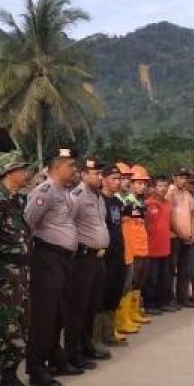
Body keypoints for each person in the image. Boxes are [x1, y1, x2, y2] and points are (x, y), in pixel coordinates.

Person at [0, 154, 38, 386]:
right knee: (0, 330)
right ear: (10, 172)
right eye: (22, 169)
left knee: (18, 328)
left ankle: (10, 378)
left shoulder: (15, 200)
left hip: (20, 273)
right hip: (3, 275)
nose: (26, 173)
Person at [24, 150, 78, 386]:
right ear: (57, 167)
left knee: (60, 312)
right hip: (47, 257)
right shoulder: (43, 192)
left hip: (63, 259)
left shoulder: (63, 192)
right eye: (71, 165)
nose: (74, 170)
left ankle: (57, 358)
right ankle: (36, 368)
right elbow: (28, 222)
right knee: (44, 315)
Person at [68, 157, 111, 368]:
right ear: (83, 175)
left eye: (101, 173)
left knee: (92, 305)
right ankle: (74, 352)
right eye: (96, 173)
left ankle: (86, 345)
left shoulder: (98, 196)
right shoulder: (76, 196)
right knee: (78, 307)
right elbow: (69, 224)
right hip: (83, 257)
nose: (100, 176)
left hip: (98, 257)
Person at [98, 166, 130, 347]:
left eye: (119, 178)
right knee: (102, 294)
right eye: (114, 178)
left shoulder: (118, 202)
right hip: (104, 255)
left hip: (119, 253)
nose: (118, 182)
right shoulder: (98, 200)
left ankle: (109, 333)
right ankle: (97, 338)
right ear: (104, 180)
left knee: (115, 292)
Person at [119, 165, 153, 328]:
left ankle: (134, 312)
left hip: (141, 246)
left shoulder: (137, 202)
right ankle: (124, 318)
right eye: (138, 183)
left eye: (144, 183)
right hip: (131, 248)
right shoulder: (126, 201)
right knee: (129, 283)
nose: (142, 186)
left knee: (139, 282)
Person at [143, 174, 174, 315]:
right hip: (151, 247)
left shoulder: (167, 204)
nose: (162, 189)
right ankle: (150, 305)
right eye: (159, 186)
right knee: (151, 279)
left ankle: (162, 303)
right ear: (154, 187)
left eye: (165, 186)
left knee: (164, 278)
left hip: (165, 246)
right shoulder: (148, 203)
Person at [167, 168, 194, 307]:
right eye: (180, 177)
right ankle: (170, 298)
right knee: (172, 269)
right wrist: (181, 234)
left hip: (187, 237)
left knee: (185, 269)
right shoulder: (169, 193)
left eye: (185, 178)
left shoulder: (188, 194)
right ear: (174, 177)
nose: (183, 180)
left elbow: (192, 215)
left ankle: (183, 298)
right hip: (174, 237)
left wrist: (192, 233)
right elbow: (170, 218)